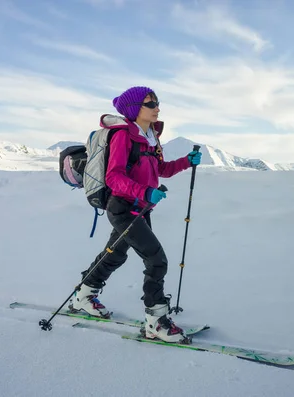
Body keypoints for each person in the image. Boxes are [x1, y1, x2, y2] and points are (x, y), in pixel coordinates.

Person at [69, 86, 202, 343]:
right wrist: (144, 192)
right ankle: (156, 322)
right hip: (123, 207)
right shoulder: (123, 136)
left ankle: (83, 296)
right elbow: (114, 177)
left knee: (115, 254)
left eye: (157, 102)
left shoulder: (150, 136)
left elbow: (161, 169)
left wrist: (187, 161)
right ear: (134, 109)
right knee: (157, 260)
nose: (157, 108)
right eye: (150, 104)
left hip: (139, 208)